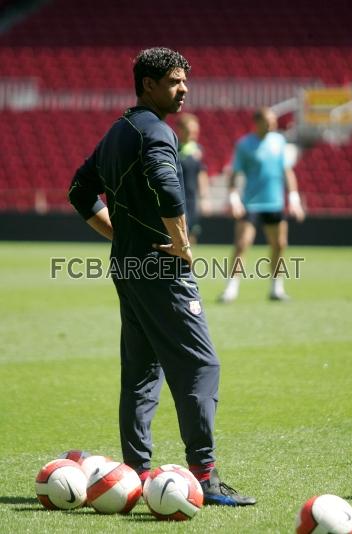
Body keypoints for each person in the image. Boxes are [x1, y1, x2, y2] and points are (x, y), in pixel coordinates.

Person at [68, 47, 256, 507]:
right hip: (162, 269)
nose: (184, 89)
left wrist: (119, 237)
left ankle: (135, 472)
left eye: (184, 81)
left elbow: (79, 191)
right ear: (148, 84)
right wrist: (182, 244)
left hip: (129, 268)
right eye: (174, 81)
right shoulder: (157, 131)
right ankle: (205, 477)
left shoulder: (117, 131)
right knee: (200, 366)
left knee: (141, 373)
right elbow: (167, 186)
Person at [219, 107, 305, 303]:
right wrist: (234, 199)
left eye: (274, 121)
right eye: (269, 121)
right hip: (251, 204)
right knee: (242, 244)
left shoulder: (279, 141)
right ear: (257, 122)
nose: (273, 124)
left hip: (275, 204)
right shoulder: (244, 144)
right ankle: (231, 288)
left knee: (280, 245)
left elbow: (287, 171)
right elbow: (234, 174)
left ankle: (277, 288)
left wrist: (294, 198)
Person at [175, 113, 210, 243]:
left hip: (192, 200)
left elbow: (201, 173)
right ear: (181, 129)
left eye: (195, 131)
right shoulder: (173, 148)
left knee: (191, 235)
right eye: (190, 130)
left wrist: (204, 198)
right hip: (176, 198)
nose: (193, 134)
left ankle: (186, 263)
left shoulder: (198, 150)